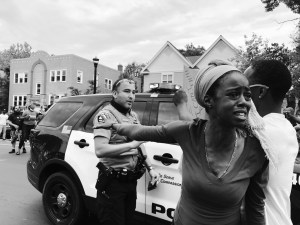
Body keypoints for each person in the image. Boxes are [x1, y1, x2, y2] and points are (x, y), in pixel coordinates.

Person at [95, 62, 269, 225]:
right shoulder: (189, 132)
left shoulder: (258, 150)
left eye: (247, 95)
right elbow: (140, 132)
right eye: (233, 94)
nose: (244, 102)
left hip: (130, 182)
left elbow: (255, 208)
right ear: (208, 100)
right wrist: (115, 125)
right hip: (116, 185)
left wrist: (149, 166)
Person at [93, 78, 159, 225]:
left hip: (130, 181)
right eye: (127, 91)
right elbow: (100, 149)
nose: (132, 96)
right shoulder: (106, 115)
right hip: (112, 183)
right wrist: (132, 145)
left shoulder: (133, 116)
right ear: (115, 93)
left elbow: (140, 144)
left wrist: (151, 168)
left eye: (134, 92)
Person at [244, 59, 298, 225]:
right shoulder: (285, 127)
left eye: (245, 89)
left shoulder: (260, 132)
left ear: (260, 92)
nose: (240, 96)